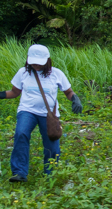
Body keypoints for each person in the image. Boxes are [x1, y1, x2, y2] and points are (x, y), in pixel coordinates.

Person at [1, 44, 83, 182]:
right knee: (21, 133)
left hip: (49, 115)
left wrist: (75, 99)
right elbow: (14, 92)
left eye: (39, 63)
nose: (36, 65)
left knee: (52, 141)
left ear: (47, 60)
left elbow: (68, 92)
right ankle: (19, 172)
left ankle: (51, 173)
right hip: (27, 110)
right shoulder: (23, 73)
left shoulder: (56, 74)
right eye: (33, 63)